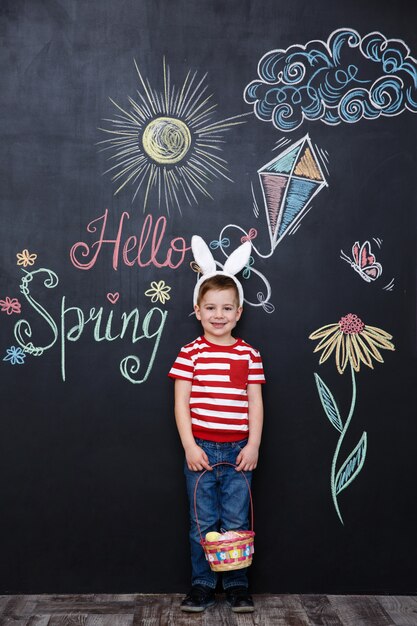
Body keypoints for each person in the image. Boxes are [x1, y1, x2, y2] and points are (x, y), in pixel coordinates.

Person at [168, 236, 265, 613]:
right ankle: (203, 584)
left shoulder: (249, 354)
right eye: (211, 308)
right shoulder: (190, 353)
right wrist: (190, 447)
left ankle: (238, 585)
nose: (218, 315)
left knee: (237, 522)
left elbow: (254, 403)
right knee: (202, 523)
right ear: (197, 310)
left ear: (239, 312)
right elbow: (181, 403)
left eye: (227, 308)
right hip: (202, 450)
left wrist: (253, 445)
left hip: (238, 449)